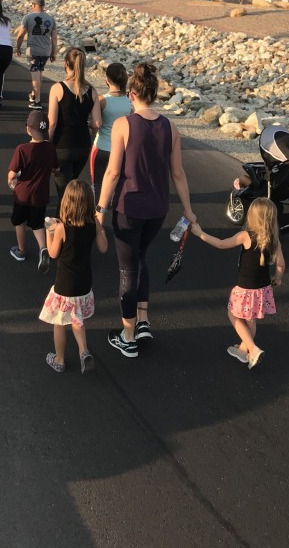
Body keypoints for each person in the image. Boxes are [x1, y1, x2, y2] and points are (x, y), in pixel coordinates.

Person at [96, 62, 196, 358]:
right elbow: (177, 173)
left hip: (129, 207)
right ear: (153, 94)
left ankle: (127, 337)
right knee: (141, 257)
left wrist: (100, 208)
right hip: (157, 208)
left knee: (127, 267)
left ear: (131, 95)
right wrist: (188, 210)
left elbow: (113, 173)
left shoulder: (123, 125)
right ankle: (142, 321)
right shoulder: (170, 126)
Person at [191, 198, 285, 370]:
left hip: (245, 289)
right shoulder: (274, 240)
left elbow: (221, 243)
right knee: (249, 320)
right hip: (262, 289)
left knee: (233, 315)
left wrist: (200, 233)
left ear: (252, 217)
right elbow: (281, 264)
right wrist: (278, 279)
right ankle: (243, 350)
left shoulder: (245, 236)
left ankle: (253, 349)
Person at [39, 179, 108, 374]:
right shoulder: (93, 224)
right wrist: (100, 226)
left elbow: (52, 254)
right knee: (77, 319)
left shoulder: (63, 228)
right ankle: (83, 351)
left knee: (59, 323)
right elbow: (103, 248)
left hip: (65, 284)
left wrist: (50, 231)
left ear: (66, 203)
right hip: (84, 283)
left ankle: (59, 359)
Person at [48, 47, 101, 213]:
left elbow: (52, 123)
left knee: (64, 195)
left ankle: (63, 230)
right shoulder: (92, 91)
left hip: (62, 146)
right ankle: (73, 225)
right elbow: (97, 123)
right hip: (83, 146)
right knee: (71, 189)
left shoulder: (58, 89)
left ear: (65, 64)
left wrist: (45, 145)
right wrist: (90, 129)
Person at [7, 110, 60, 270]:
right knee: (37, 224)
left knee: (19, 222)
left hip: (22, 194)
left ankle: (21, 250)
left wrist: (11, 182)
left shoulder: (22, 149)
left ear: (28, 129)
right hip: (40, 194)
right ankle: (43, 248)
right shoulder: (50, 148)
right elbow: (56, 169)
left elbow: (11, 174)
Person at [90, 62, 132, 200]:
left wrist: (92, 133)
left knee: (97, 184)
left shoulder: (102, 100)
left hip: (101, 147)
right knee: (118, 183)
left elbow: (96, 124)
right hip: (121, 149)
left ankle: (98, 214)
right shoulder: (129, 101)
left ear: (107, 79)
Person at [15, 0, 57, 110]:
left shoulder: (28, 18)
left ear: (34, 5)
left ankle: (37, 102)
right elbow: (54, 38)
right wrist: (54, 53)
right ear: (43, 6)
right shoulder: (51, 19)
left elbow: (20, 35)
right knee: (39, 73)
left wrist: (18, 48)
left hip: (32, 50)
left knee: (35, 75)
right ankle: (33, 95)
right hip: (45, 51)